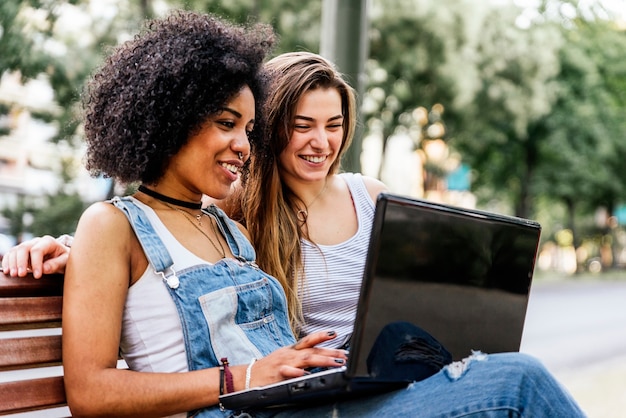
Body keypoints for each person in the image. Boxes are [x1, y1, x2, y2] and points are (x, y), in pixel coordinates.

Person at [2, 33, 585, 418]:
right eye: (227, 124)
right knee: (519, 383)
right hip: (252, 408)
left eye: (249, 129)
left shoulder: (222, 226)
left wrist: (298, 360)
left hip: (300, 403)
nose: (242, 145)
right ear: (170, 121)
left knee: (496, 372)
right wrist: (248, 375)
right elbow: (90, 392)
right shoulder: (114, 224)